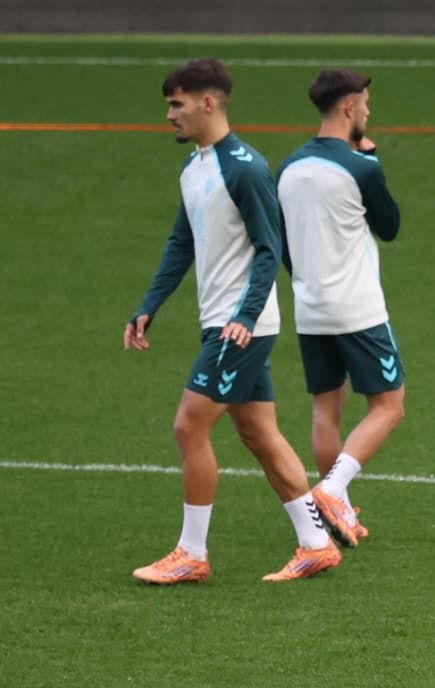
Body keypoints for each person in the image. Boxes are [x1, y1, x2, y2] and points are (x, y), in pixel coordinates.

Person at [124, 58, 340, 584]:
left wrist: (244, 315)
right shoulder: (195, 168)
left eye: (176, 104)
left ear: (208, 102)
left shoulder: (244, 167)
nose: (169, 115)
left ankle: (191, 554)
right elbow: (182, 242)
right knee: (259, 433)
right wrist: (149, 304)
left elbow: (271, 247)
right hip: (219, 320)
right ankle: (315, 544)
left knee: (188, 425)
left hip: (239, 327)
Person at [275, 68, 405, 547]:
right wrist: (374, 159)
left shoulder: (287, 168)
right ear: (348, 107)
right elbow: (389, 226)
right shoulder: (360, 167)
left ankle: (341, 513)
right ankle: (331, 490)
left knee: (326, 409)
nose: (369, 112)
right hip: (358, 309)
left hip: (310, 308)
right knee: (389, 406)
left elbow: (282, 243)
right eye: (366, 104)